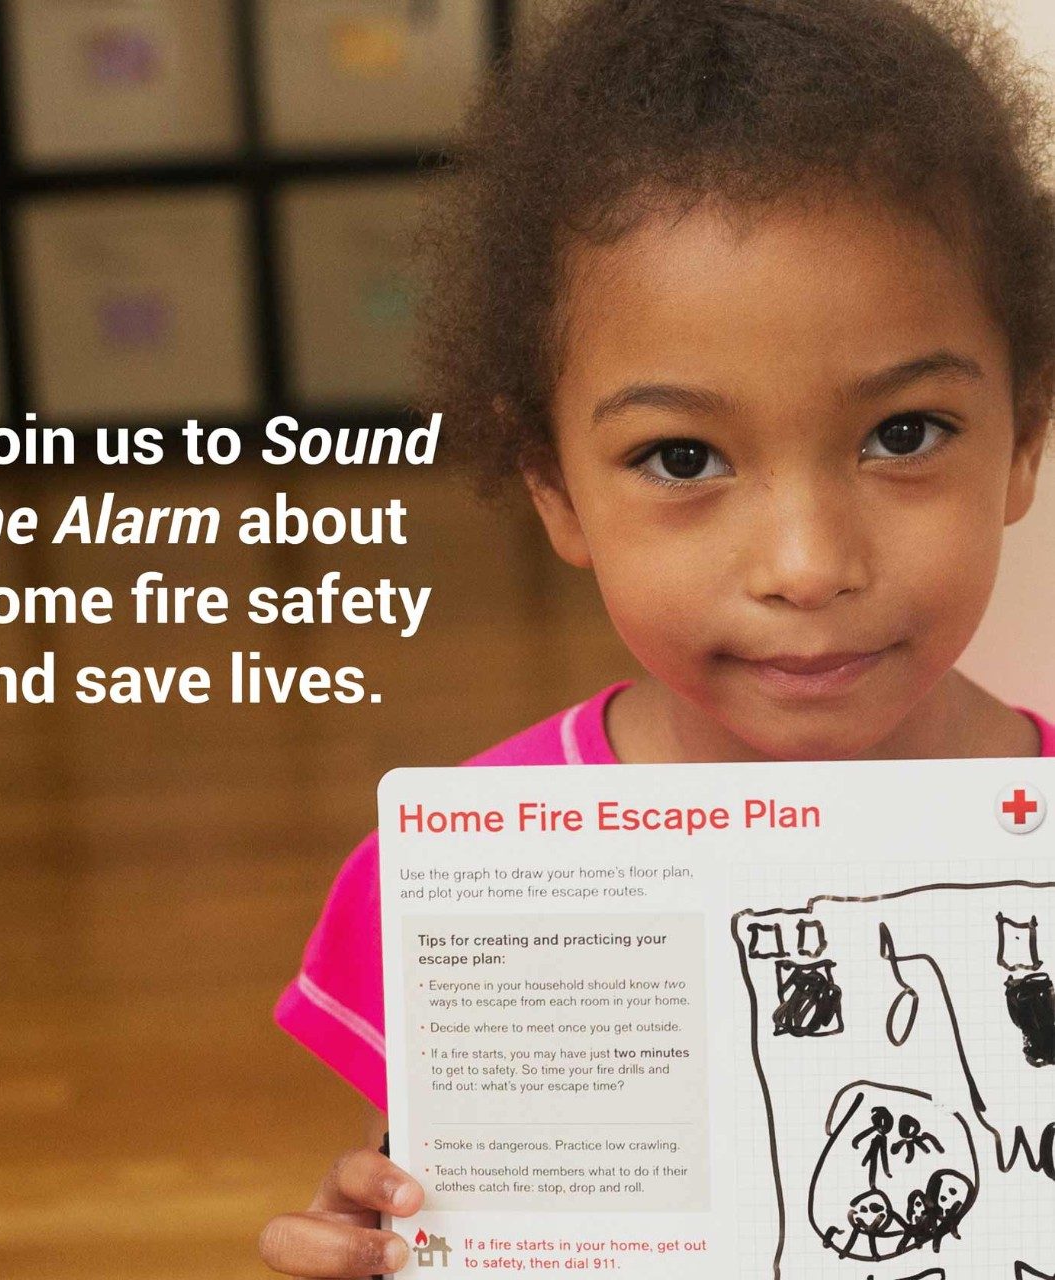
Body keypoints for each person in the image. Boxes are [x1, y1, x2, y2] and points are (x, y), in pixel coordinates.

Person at [258, 0, 1055, 1273]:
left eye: (903, 433)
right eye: (681, 456)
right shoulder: (468, 877)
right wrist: (375, 1247)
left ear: (1021, 436)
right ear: (556, 491)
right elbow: (452, 1201)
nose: (806, 565)